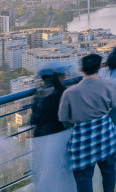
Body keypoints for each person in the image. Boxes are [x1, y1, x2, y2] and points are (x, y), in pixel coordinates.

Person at [58, 54, 116, 192]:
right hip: (105, 133)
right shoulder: (110, 84)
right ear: (100, 67)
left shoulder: (70, 92)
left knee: (84, 178)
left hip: (82, 138)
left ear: (80, 69)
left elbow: (64, 119)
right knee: (109, 171)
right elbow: (113, 105)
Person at [31, 63, 75, 192]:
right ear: (59, 76)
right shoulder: (61, 93)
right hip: (59, 137)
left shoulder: (38, 93)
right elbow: (68, 118)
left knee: (47, 172)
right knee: (60, 171)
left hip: (40, 138)